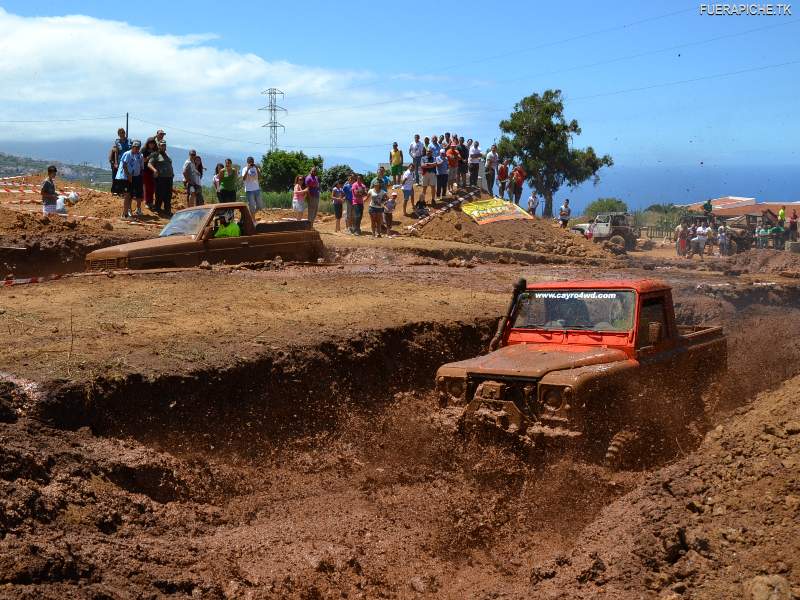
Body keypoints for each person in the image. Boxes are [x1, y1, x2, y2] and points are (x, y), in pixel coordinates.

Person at [116, 139, 144, 218]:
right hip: (124, 178)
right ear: (132, 147)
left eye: (138, 147)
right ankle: (125, 214)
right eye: (135, 147)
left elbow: (140, 167)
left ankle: (126, 213)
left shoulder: (138, 155)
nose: (137, 149)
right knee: (127, 195)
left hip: (132, 177)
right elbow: (124, 165)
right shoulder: (128, 154)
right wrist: (128, 175)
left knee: (129, 195)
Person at [148, 141, 174, 215]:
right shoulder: (155, 154)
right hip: (160, 178)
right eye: (161, 145)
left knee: (168, 195)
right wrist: (155, 170)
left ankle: (167, 210)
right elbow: (149, 164)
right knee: (159, 194)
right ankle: (158, 209)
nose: (163, 147)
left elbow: (169, 164)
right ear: (158, 146)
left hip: (169, 178)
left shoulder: (167, 155)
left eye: (164, 145)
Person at [141, 138, 158, 210]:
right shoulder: (144, 150)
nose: (152, 144)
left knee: (153, 187)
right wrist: (150, 156)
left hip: (153, 170)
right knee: (147, 186)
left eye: (153, 143)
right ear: (148, 143)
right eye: (150, 143)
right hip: (145, 170)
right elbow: (143, 160)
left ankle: (151, 201)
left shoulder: (156, 150)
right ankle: (147, 202)